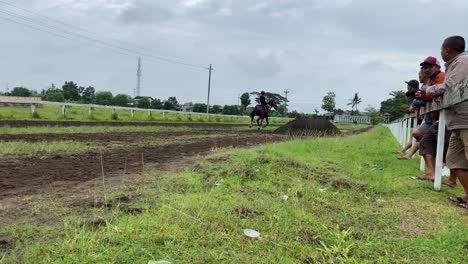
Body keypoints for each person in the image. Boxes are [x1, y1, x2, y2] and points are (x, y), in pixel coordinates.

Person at [422, 36, 468, 209]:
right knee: (455, 159)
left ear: (447, 49)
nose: (441, 52)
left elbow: (449, 86)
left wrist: (429, 90)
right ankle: (467, 195)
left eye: (441, 49)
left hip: (466, 118)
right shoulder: (454, 65)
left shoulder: (463, 61)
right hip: (457, 120)